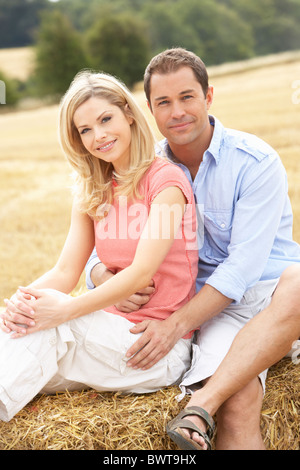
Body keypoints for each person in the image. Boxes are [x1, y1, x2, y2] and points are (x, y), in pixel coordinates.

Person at [85, 48, 300, 450]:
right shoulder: (148, 176)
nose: (177, 111)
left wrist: (175, 325)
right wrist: (101, 274)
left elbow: (244, 268)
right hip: (216, 309)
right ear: (149, 110)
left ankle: (200, 403)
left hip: (273, 292)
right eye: (163, 102)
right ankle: (207, 408)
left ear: (209, 97)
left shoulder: (255, 162)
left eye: (187, 97)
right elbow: (107, 243)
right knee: (238, 403)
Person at [0, 70, 199, 422]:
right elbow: (65, 272)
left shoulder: (166, 181)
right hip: (105, 336)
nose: (99, 136)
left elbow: (140, 274)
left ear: (128, 113)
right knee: (16, 324)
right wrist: (20, 302)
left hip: (154, 347)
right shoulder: (93, 187)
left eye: (106, 119)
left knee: (53, 322)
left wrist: (64, 310)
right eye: (85, 130)